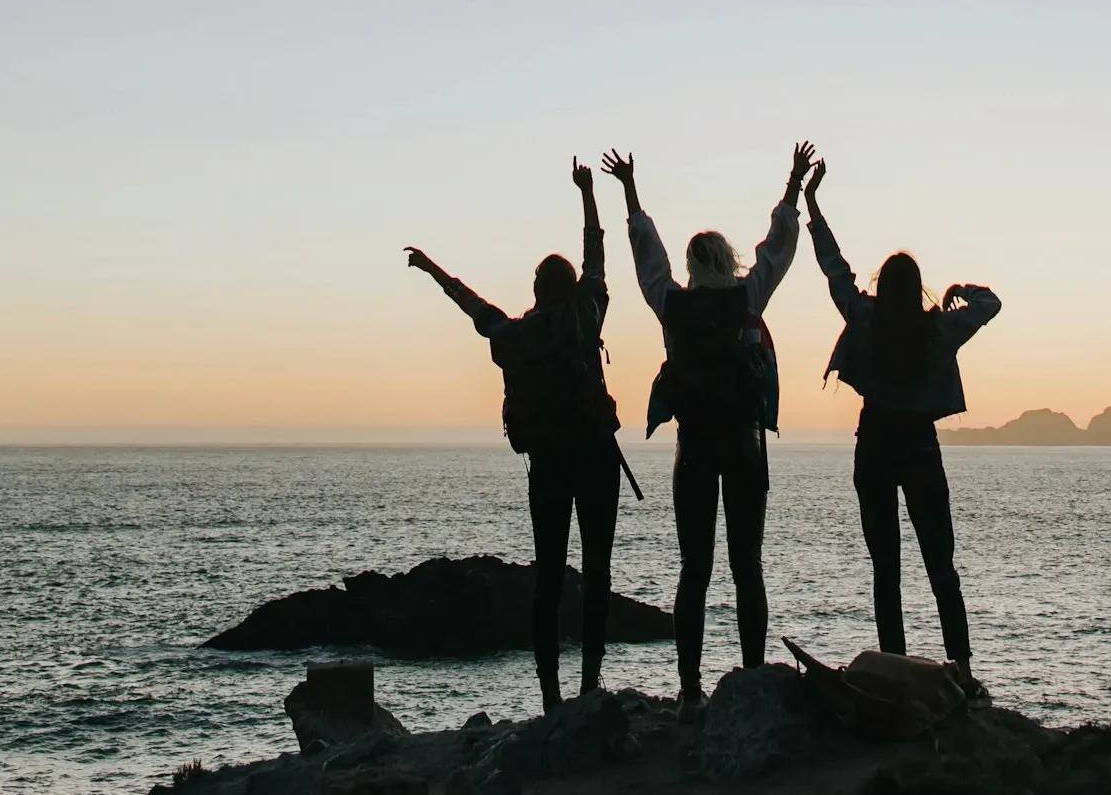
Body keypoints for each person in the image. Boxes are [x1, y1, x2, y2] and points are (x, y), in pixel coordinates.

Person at [600, 143, 815, 720]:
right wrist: (792, 183)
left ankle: (690, 689)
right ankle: (748, 677)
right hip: (745, 447)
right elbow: (779, 248)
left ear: (693, 267)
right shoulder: (749, 298)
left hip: (692, 450)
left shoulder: (672, 306)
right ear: (729, 260)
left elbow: (647, 258)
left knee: (694, 568)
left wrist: (630, 193)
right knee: (748, 564)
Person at [405, 159, 627, 712]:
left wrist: (434, 271)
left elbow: (474, 307)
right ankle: (591, 682)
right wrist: (588, 195)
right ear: (572, 287)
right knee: (597, 572)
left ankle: (550, 693)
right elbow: (597, 256)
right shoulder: (586, 316)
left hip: (548, 465)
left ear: (535, 289)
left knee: (548, 578)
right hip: (597, 457)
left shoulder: (517, 336)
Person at [802, 155, 1000, 700]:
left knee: (884, 566)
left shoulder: (863, 317)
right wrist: (963, 287)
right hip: (920, 446)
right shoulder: (939, 329)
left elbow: (833, 267)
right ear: (917, 289)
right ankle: (960, 668)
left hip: (874, 445)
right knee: (941, 564)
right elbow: (992, 304)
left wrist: (813, 203)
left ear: (881, 285)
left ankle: (892, 669)